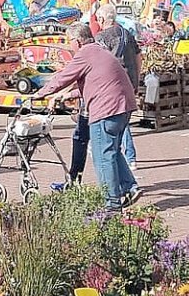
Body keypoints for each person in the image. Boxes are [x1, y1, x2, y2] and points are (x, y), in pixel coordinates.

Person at [39, 23, 139, 209]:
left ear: (77, 41)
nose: (70, 47)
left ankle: (111, 204)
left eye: (70, 42)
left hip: (106, 110)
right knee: (113, 151)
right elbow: (97, 82)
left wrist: (40, 94)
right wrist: (67, 95)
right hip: (124, 106)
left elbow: (63, 77)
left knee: (102, 156)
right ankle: (130, 187)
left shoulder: (85, 53)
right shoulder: (100, 51)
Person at [95, 4, 142, 171]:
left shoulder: (101, 37)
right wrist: (136, 77)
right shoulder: (126, 33)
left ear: (101, 19)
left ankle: (126, 158)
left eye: (97, 19)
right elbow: (138, 55)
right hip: (129, 81)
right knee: (124, 120)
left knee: (117, 122)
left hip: (113, 84)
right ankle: (129, 157)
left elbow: (100, 63)